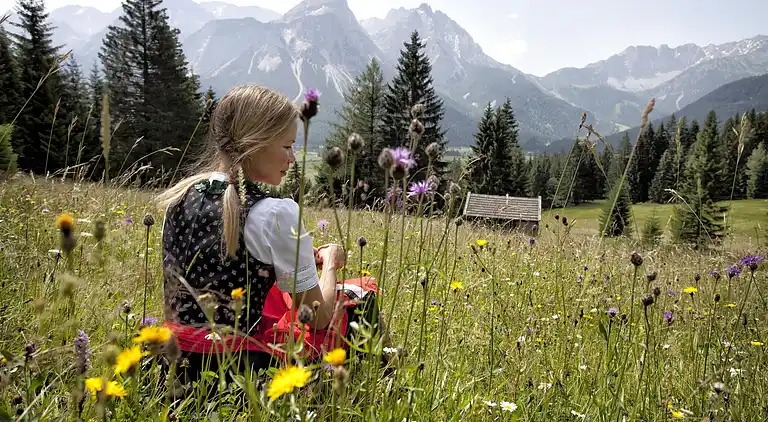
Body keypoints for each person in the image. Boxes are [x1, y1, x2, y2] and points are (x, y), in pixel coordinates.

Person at [154, 84, 385, 387]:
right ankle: (375, 383)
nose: (292, 158)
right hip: (243, 370)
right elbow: (317, 317)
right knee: (360, 297)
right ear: (256, 143)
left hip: (173, 362)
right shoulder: (274, 213)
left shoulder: (178, 198)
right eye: (287, 146)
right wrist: (329, 264)